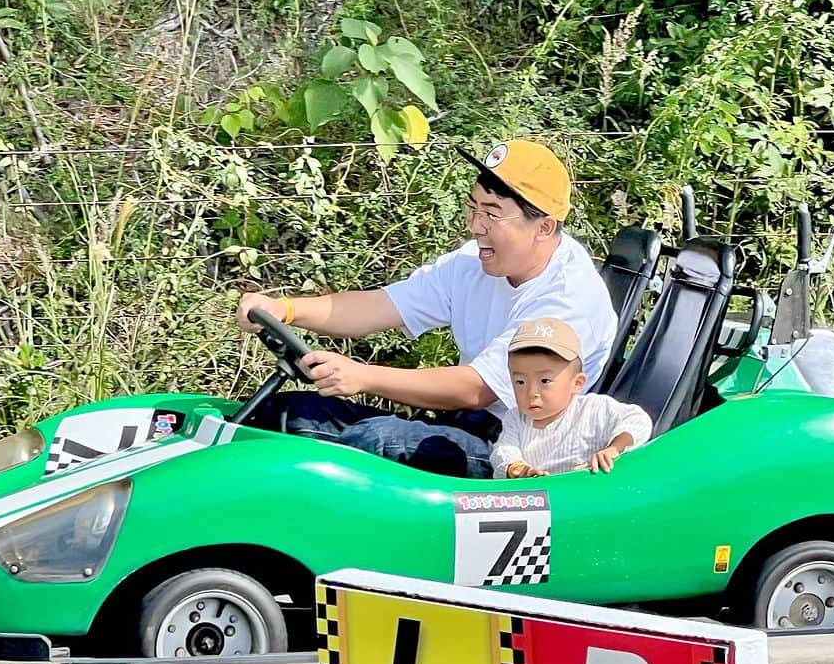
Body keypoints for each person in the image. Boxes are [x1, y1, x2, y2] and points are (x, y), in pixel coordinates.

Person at [235, 139, 617, 477]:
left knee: (375, 443)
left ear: (544, 228)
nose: (475, 226)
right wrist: (284, 309)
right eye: (473, 208)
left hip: (519, 455)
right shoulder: (475, 262)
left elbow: (477, 390)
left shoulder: (568, 299)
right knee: (285, 413)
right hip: (464, 426)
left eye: (492, 213)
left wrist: (363, 376)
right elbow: (379, 306)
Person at [490, 317, 653, 478]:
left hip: (588, 493)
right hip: (538, 498)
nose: (532, 392)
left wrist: (614, 448)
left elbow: (637, 420)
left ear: (577, 382)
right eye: (520, 382)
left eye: (545, 381)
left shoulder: (594, 409)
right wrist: (518, 469)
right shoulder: (516, 418)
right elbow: (504, 451)